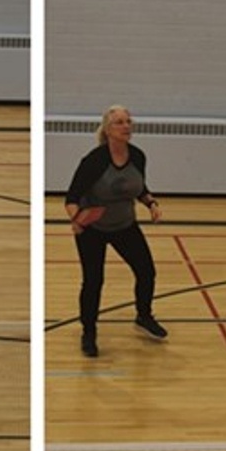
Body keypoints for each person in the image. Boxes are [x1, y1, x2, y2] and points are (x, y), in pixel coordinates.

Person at [64, 105, 166, 358]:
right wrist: (77, 219)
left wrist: (151, 204)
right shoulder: (94, 161)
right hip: (93, 228)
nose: (126, 126)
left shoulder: (138, 156)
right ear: (108, 130)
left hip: (124, 225)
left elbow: (138, 188)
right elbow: (71, 197)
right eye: (120, 122)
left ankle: (144, 315)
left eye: (129, 121)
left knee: (146, 271)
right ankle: (89, 331)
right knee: (93, 281)